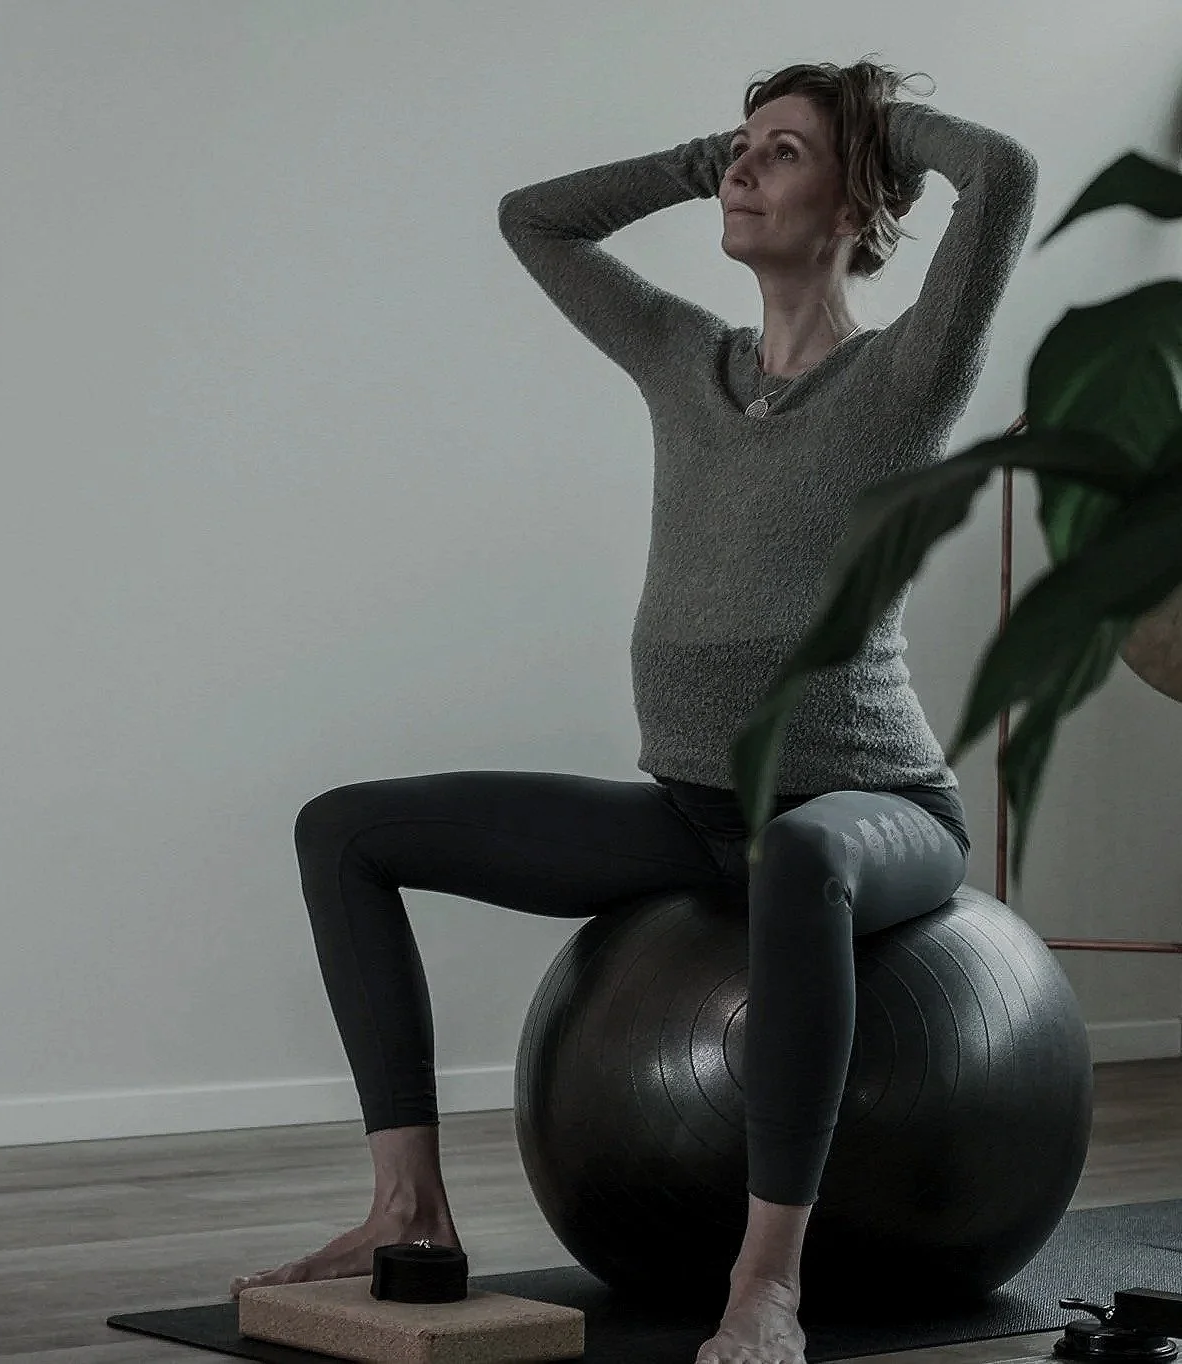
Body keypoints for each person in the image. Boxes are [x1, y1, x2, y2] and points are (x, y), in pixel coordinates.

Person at [229, 56, 1038, 1364]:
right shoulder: (681, 357)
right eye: (739, 145)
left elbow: (999, 178)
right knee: (346, 831)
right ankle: (411, 1210)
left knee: (811, 851)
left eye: (781, 153)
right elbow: (531, 218)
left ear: (854, 204)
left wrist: (883, 126)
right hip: (691, 810)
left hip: (875, 809)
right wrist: (698, 157)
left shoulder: (903, 379)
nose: (740, 168)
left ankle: (764, 1279)